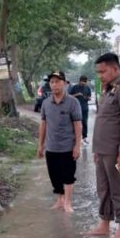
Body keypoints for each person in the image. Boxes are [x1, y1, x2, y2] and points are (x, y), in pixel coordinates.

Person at [83, 53, 120, 238]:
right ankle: (104, 225)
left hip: (117, 152)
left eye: (103, 71)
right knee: (104, 189)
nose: (100, 75)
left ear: (115, 69)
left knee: (119, 190)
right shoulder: (108, 90)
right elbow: (103, 121)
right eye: (98, 72)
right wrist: (96, 150)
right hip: (103, 150)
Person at [37, 71, 83, 213]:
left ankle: (68, 203)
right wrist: (40, 145)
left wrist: (77, 146)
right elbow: (43, 124)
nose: (54, 84)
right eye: (52, 82)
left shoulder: (72, 102)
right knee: (54, 176)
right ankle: (59, 200)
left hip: (67, 147)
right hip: (51, 147)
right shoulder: (46, 103)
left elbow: (77, 124)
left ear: (64, 83)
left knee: (68, 176)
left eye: (57, 81)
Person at [70, 75, 92, 145]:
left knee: (84, 123)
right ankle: (76, 138)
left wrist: (88, 98)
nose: (84, 83)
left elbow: (89, 96)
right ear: (79, 81)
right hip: (75, 109)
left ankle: (84, 138)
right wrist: (77, 94)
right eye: (83, 82)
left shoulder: (87, 88)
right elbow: (69, 96)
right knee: (76, 123)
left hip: (85, 108)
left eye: (85, 82)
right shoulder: (74, 87)